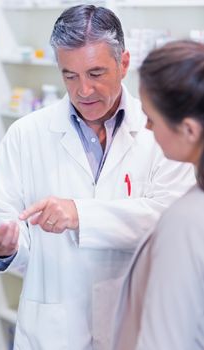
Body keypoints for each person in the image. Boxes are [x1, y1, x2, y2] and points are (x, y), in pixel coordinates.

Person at [0, 6, 194, 350]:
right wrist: (3, 247)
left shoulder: (159, 131)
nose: (84, 90)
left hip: (137, 327)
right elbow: (6, 223)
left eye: (96, 73)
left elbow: (171, 218)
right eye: (70, 76)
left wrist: (80, 215)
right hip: (52, 335)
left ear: (123, 63)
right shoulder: (26, 134)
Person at [118, 40, 204, 350]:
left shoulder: (186, 222)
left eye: (152, 117)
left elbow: (164, 341)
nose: (147, 127)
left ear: (189, 130)